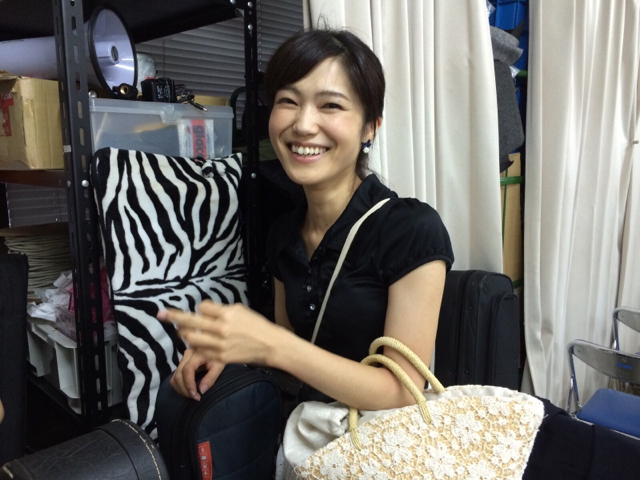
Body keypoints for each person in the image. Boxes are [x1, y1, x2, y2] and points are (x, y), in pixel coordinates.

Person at [158, 29, 454, 413]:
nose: (303, 124)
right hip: (309, 431)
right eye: (288, 101)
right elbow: (293, 351)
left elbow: (403, 390)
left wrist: (271, 344)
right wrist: (232, 347)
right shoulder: (283, 233)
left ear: (370, 128)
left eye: (330, 105)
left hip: (381, 439)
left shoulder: (411, 229)